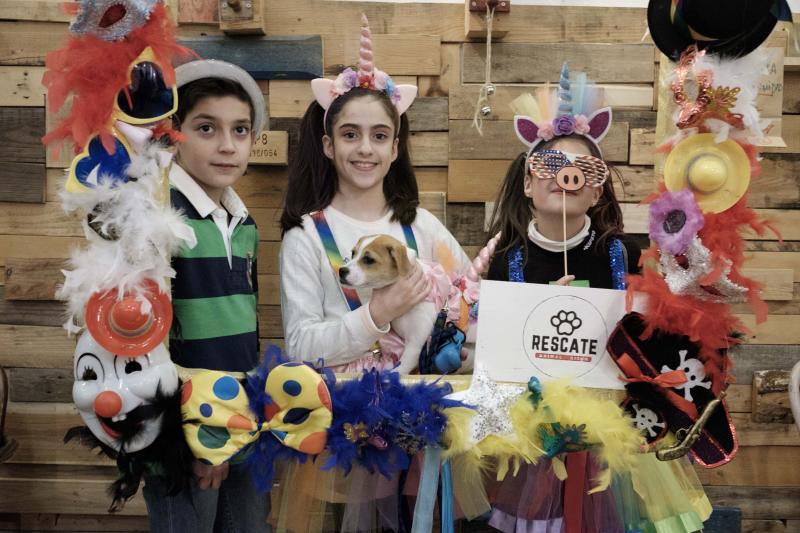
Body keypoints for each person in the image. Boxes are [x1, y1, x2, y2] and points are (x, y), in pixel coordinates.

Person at [279, 15, 470, 373]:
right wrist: (377, 313)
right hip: (339, 412)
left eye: (379, 136)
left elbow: (471, 299)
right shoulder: (305, 236)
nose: (365, 148)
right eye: (350, 134)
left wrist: (460, 347)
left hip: (420, 407)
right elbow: (301, 348)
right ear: (328, 145)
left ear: (395, 149)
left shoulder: (422, 226)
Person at [141, 59, 270, 533]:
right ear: (175, 133)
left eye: (240, 130)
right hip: (187, 432)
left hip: (241, 420)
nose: (227, 145)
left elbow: (236, 329)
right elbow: (149, 344)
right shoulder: (161, 218)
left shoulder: (244, 222)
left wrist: (239, 420)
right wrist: (199, 437)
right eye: (206, 128)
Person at [486, 66, 640, 289]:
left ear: (596, 193)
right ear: (527, 185)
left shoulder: (623, 253)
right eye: (551, 164)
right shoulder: (507, 262)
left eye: (584, 168)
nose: (566, 176)